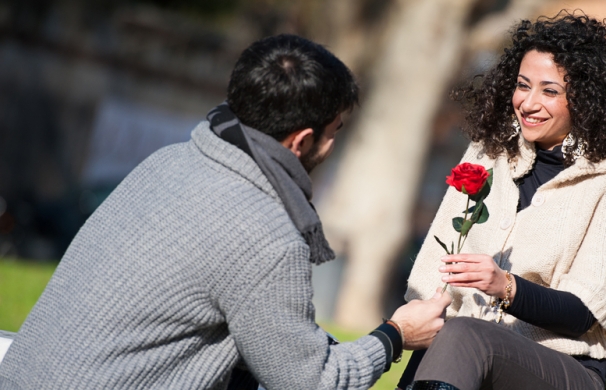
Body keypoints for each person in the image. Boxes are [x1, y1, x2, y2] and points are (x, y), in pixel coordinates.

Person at [0, 34, 451, 390]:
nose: (333, 146)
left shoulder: (170, 160)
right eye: (333, 133)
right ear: (300, 141)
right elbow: (312, 381)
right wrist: (395, 335)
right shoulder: (267, 236)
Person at [401, 12, 606, 390]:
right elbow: (435, 274)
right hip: (466, 346)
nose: (528, 103)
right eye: (523, 86)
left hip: (564, 369)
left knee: (463, 335)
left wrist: (506, 285)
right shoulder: (486, 153)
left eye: (549, 91)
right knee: (449, 338)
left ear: (584, 100)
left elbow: (583, 312)